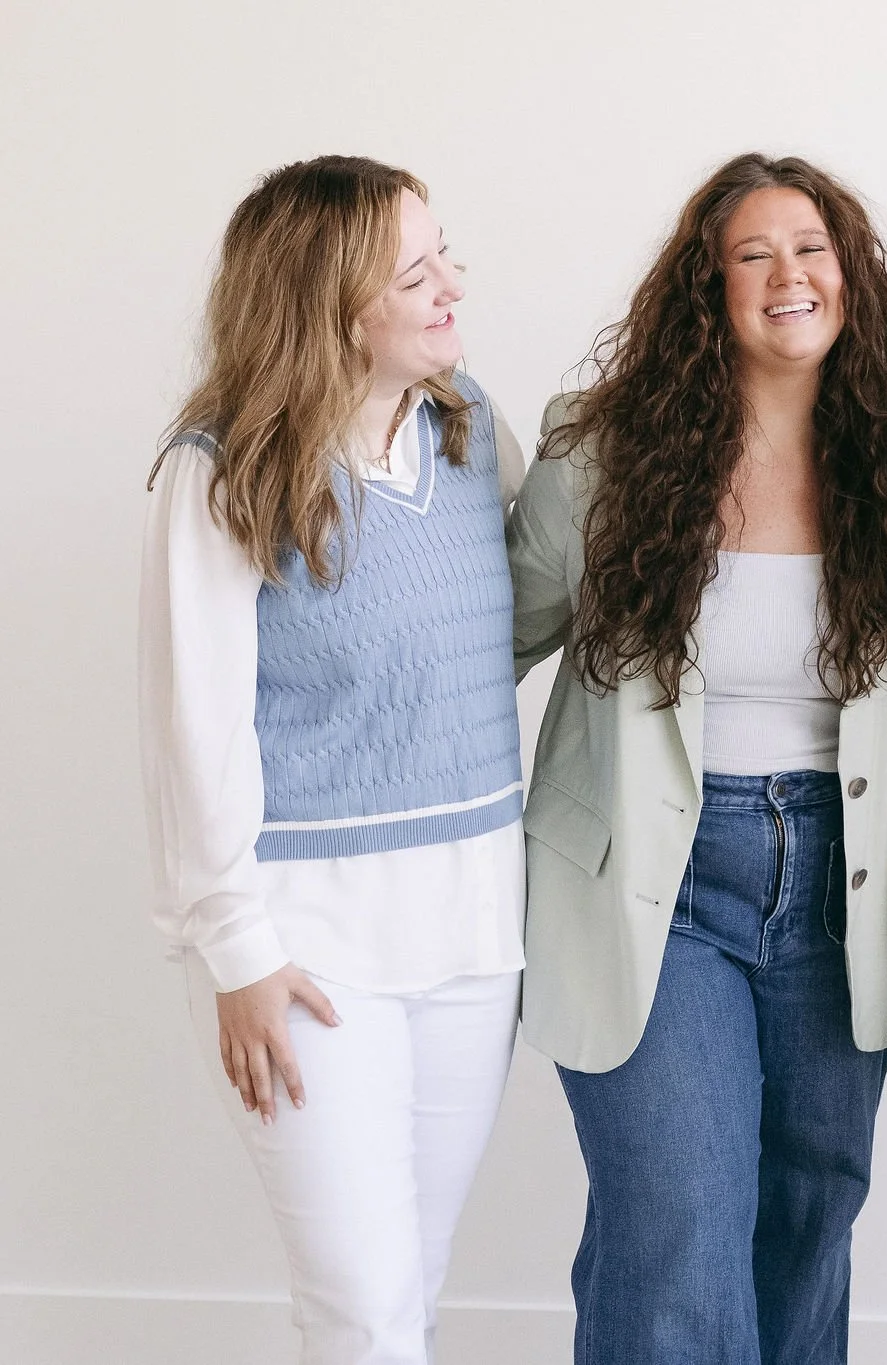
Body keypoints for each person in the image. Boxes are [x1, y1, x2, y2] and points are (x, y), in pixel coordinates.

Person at [506, 153, 887, 1365]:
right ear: (708, 289)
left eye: (813, 250)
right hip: (657, 882)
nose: (789, 275)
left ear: (849, 277)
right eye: (754, 254)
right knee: (678, 1224)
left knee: (811, 1212)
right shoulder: (601, 454)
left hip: (841, 890)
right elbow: (490, 643)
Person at [140, 155, 526, 1365]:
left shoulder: (469, 430)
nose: (452, 283)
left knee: (413, 1286)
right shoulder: (223, 469)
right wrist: (237, 953)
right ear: (327, 306)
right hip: (308, 952)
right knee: (359, 1309)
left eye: (442, 253)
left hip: (472, 932)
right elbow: (188, 724)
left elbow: (512, 617)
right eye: (416, 272)